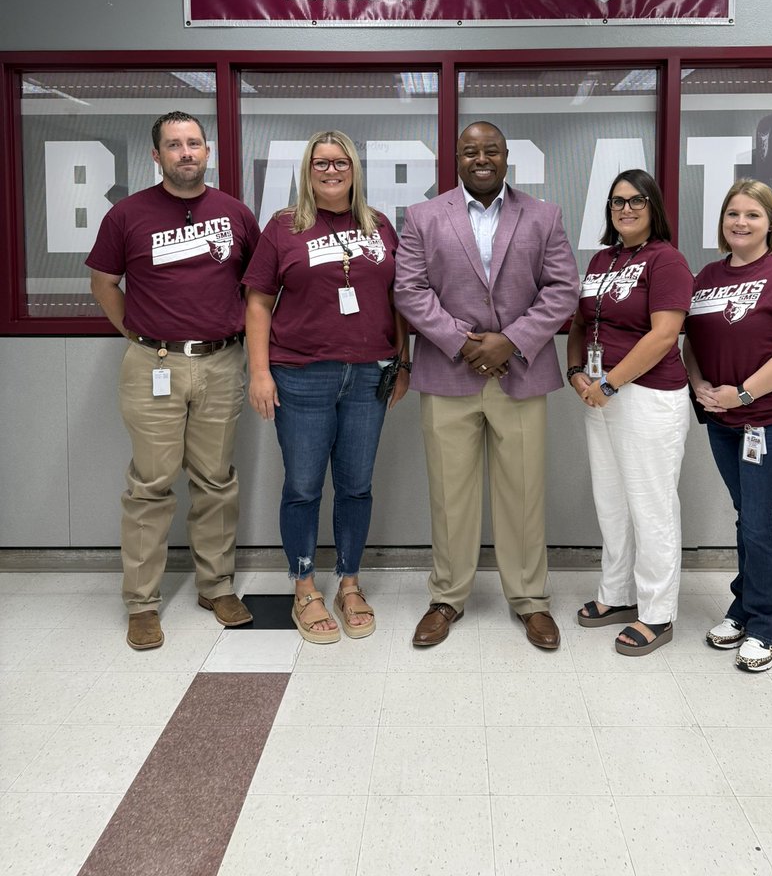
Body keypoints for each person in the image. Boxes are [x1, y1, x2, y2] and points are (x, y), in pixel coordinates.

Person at [393, 121, 579, 651]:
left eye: (490, 150)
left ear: (505, 158)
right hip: (448, 374)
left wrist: (511, 341)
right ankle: (447, 596)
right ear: (456, 158)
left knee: (523, 493)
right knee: (450, 495)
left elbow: (563, 289)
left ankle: (530, 600)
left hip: (520, 375)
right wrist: (465, 342)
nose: (481, 157)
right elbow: (409, 289)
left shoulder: (543, 216)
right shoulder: (425, 216)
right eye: (470, 150)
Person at [86, 111, 260, 650]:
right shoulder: (127, 215)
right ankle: (142, 603)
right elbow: (104, 281)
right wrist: (140, 332)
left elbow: (257, 288)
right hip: (153, 364)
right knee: (150, 484)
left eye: (194, 143)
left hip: (221, 360)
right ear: (156, 156)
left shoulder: (234, 214)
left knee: (215, 478)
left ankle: (217, 586)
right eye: (174, 145)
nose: (186, 153)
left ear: (207, 152)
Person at [242, 130, 409, 644]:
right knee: (303, 487)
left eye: (340, 162)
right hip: (301, 376)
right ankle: (304, 587)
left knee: (357, 485)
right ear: (307, 170)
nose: (331, 170)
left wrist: (402, 361)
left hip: (368, 376)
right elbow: (257, 303)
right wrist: (260, 371)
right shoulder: (283, 227)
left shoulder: (379, 226)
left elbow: (400, 296)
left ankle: (349, 583)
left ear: (355, 169)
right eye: (320, 162)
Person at [683, 178, 772, 672]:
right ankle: (745, 607)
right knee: (749, 516)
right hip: (721, 418)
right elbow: (692, 343)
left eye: (752, 215)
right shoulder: (706, 276)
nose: (740, 222)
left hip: (771, 418)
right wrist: (699, 384)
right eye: (732, 214)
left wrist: (741, 393)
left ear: (771, 223)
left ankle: (766, 625)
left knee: (761, 522)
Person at [567, 170, 692, 656]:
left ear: (653, 205)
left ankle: (658, 612)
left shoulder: (667, 261)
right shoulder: (601, 259)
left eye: (636, 200)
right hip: (599, 393)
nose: (625, 209)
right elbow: (580, 321)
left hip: (646, 396)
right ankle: (618, 594)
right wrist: (577, 371)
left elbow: (665, 335)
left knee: (651, 504)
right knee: (612, 502)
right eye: (617, 202)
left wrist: (612, 382)